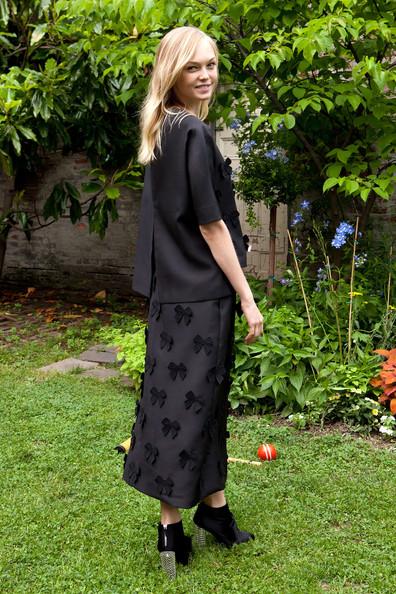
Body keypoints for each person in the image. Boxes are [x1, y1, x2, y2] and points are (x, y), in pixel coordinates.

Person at [122, 25, 264, 579]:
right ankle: (171, 526)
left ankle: (211, 514)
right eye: (193, 68)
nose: (205, 75)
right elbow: (212, 227)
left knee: (180, 404)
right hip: (203, 297)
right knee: (192, 409)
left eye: (210, 65)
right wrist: (247, 297)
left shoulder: (162, 128)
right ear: (171, 73)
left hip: (169, 296)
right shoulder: (195, 135)